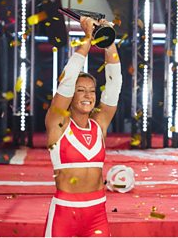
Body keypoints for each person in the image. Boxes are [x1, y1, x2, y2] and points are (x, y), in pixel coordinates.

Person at [43, 16, 122, 237]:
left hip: (97, 213)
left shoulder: (100, 123)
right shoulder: (57, 122)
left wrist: (108, 38)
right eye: (81, 90)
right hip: (64, 214)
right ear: (71, 95)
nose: (88, 95)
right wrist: (88, 38)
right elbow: (66, 80)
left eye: (92, 91)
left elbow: (115, 84)